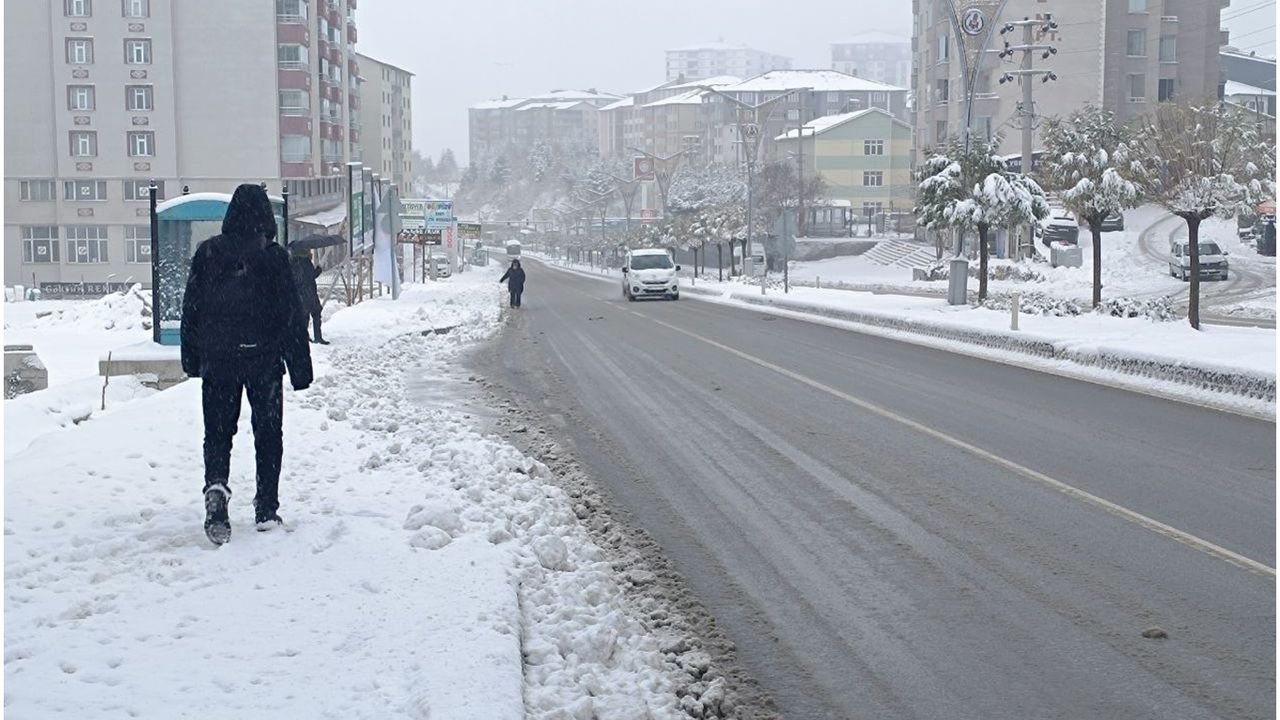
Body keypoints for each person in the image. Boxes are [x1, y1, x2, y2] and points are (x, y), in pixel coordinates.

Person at [181, 184, 313, 546]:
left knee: (218, 432)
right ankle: (266, 508)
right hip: (264, 362)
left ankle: (217, 490)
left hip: (219, 362)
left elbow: (191, 307)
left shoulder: (207, 253)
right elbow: (292, 314)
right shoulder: (274, 258)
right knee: (268, 433)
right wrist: (299, 368)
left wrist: (192, 358)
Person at [289, 245, 328, 344]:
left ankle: (304, 336)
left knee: (304, 317)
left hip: (300, 294)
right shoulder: (305, 262)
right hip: (309, 293)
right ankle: (318, 337)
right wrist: (318, 269)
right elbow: (311, 275)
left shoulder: (292, 262)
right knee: (316, 314)